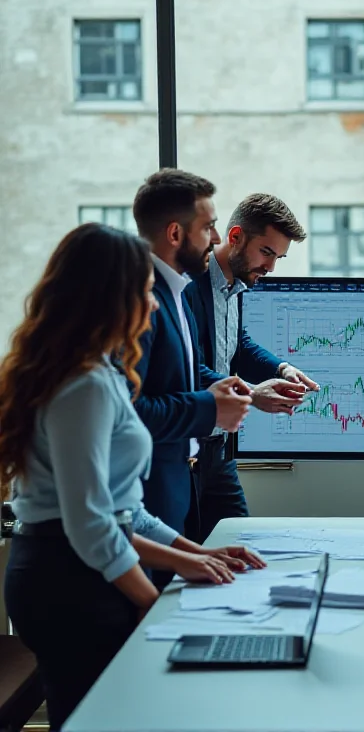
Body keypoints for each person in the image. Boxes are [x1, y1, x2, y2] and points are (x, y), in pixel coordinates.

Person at [0, 225, 265, 731]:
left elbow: (125, 507)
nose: (155, 303)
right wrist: (152, 602)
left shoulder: (94, 373)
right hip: (66, 580)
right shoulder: (83, 385)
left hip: (73, 568)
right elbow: (94, 523)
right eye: (145, 290)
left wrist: (197, 553)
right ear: (111, 295)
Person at [131, 169, 252, 567]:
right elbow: (129, 412)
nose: (216, 239)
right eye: (209, 227)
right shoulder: (139, 302)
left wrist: (242, 392)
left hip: (170, 500)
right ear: (175, 234)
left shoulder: (178, 292)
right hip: (144, 501)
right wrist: (208, 408)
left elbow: (187, 371)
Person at [184, 193, 319, 542]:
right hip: (187, 452)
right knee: (190, 559)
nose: (271, 267)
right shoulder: (188, 286)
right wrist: (252, 394)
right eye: (267, 253)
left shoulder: (237, 285)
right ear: (235, 237)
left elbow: (236, 345)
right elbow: (189, 368)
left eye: (279, 257)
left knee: (239, 544)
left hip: (219, 450)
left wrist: (282, 369)